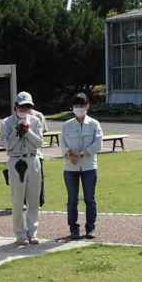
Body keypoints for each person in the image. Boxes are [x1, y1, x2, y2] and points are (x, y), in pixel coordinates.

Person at [0, 91, 45, 245]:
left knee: (34, 199)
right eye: (22, 105)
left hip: (32, 159)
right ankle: (20, 233)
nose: (24, 109)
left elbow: (39, 143)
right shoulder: (6, 122)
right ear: (15, 105)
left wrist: (27, 131)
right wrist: (17, 132)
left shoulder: (36, 120)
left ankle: (33, 232)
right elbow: (7, 145)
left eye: (27, 106)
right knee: (18, 200)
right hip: (15, 160)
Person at [59, 93, 103, 240]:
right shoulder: (67, 125)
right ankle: (74, 227)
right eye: (76, 106)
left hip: (89, 166)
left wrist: (82, 154)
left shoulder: (94, 124)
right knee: (72, 199)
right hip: (70, 167)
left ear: (88, 106)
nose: (79, 108)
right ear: (72, 107)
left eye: (82, 105)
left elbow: (98, 144)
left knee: (90, 198)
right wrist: (69, 153)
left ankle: (90, 227)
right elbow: (62, 143)